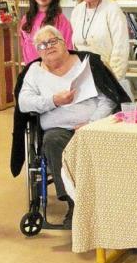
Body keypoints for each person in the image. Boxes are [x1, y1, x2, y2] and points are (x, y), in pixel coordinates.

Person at [16, 26, 130, 229]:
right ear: (37, 51)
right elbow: (24, 103)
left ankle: (109, 206)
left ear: (64, 42)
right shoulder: (34, 71)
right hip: (57, 130)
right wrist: (54, 100)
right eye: (42, 45)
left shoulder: (86, 63)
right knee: (52, 140)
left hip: (93, 127)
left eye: (53, 41)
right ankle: (74, 204)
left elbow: (108, 98)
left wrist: (91, 123)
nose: (48, 47)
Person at [70, 0, 129, 81]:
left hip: (107, 75)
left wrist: (113, 80)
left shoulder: (112, 10)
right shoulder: (77, 11)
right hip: (82, 75)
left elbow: (121, 49)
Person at [19, 0, 74, 65]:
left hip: (54, 70)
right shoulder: (26, 18)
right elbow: (24, 46)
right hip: (32, 69)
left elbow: (68, 48)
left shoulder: (60, 19)